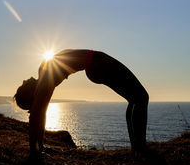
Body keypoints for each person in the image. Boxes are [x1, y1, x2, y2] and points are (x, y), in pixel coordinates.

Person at [14, 49, 149, 158]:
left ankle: (137, 149)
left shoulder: (43, 80)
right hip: (98, 63)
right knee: (141, 97)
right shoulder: (44, 82)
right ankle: (140, 149)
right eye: (23, 85)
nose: (24, 80)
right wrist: (34, 150)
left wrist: (41, 146)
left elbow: (40, 114)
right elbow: (37, 115)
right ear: (28, 92)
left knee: (135, 99)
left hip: (96, 64)